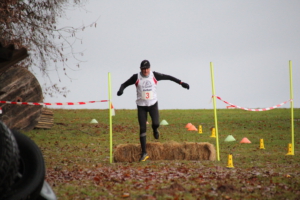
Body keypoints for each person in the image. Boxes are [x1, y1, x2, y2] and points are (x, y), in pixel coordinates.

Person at [117, 60, 190, 162]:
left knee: (156, 123)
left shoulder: (154, 75)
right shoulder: (136, 77)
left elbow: (168, 77)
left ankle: (155, 129)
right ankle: (144, 153)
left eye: (147, 68)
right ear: (140, 69)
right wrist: (121, 90)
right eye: (143, 69)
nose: (145, 71)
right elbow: (124, 84)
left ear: (149, 68)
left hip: (153, 105)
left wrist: (181, 83)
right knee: (142, 128)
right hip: (141, 106)